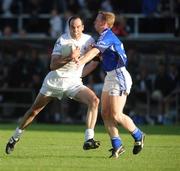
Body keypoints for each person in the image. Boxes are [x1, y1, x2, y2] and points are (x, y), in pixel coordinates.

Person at [5, 16, 100, 154]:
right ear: (69, 28)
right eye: (73, 27)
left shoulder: (89, 40)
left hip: (73, 83)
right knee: (34, 111)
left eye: (78, 27)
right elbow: (52, 65)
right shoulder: (62, 40)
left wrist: (80, 74)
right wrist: (70, 57)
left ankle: (88, 139)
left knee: (94, 101)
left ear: (83, 27)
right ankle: (15, 137)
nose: (76, 30)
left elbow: (95, 61)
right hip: (55, 81)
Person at [76, 11, 145, 158]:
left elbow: (94, 52)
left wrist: (79, 61)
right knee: (105, 113)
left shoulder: (107, 36)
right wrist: (77, 73)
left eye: (97, 20)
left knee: (116, 114)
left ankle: (139, 135)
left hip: (119, 76)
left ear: (104, 23)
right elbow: (97, 59)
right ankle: (117, 145)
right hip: (110, 76)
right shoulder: (102, 37)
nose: (94, 22)